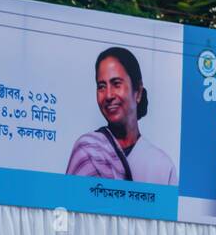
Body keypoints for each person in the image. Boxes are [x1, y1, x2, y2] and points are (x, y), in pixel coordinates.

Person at [65, 46, 177, 185]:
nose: (108, 95)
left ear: (138, 91)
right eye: (101, 86)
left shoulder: (162, 166)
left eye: (116, 84)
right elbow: (70, 201)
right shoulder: (87, 150)